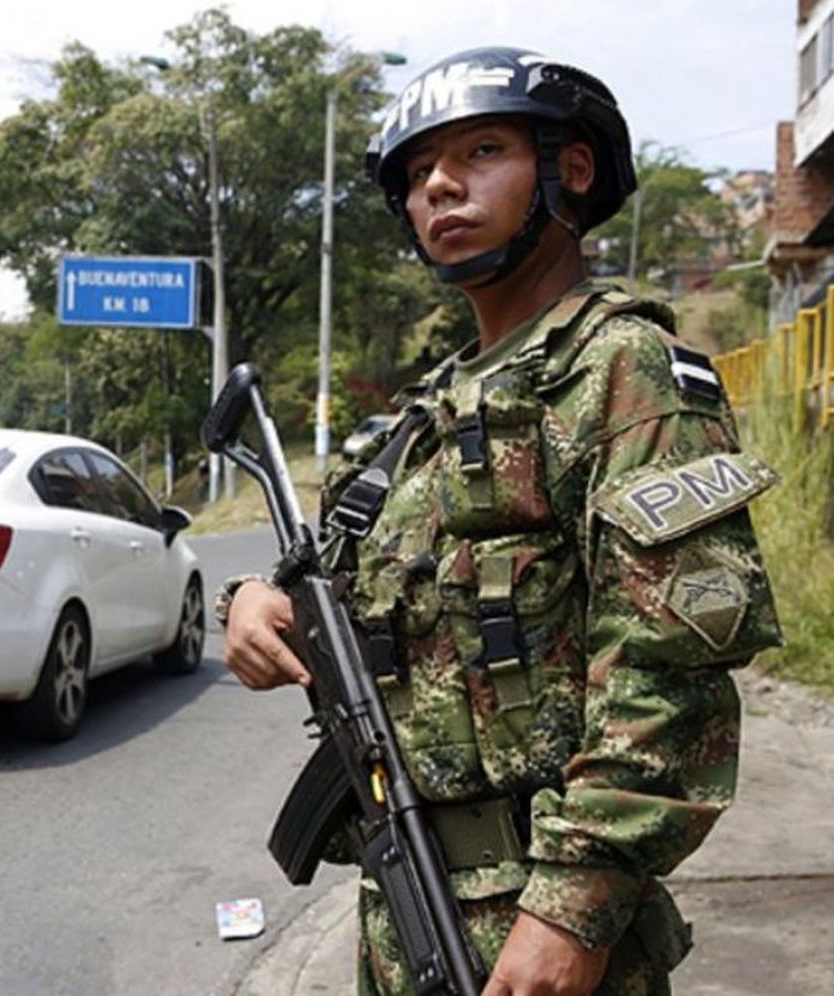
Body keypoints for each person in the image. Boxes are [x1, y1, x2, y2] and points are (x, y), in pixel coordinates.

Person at [217, 47, 781, 996]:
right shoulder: (429, 410)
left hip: (541, 926)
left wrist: (574, 907)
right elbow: (343, 576)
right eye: (418, 172)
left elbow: (670, 675)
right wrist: (252, 600)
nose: (439, 185)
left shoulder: (625, 373)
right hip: (404, 897)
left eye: (480, 151)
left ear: (571, 170)